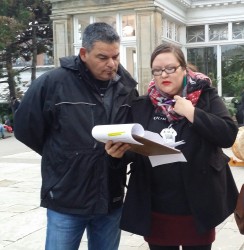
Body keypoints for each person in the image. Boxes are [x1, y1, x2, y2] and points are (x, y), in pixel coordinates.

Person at [14, 22, 138, 250]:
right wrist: (61, 156)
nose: (112, 64)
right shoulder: (53, 83)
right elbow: (25, 127)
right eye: (103, 57)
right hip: (66, 198)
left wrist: (122, 154)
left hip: (111, 196)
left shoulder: (127, 88)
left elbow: (134, 136)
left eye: (116, 56)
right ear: (83, 53)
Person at [105, 43, 239, 250]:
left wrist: (192, 113)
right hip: (158, 204)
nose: (163, 75)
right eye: (157, 70)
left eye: (170, 68)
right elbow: (134, 150)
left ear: (184, 69)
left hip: (198, 202)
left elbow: (227, 136)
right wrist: (118, 154)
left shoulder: (206, 96)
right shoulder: (142, 105)